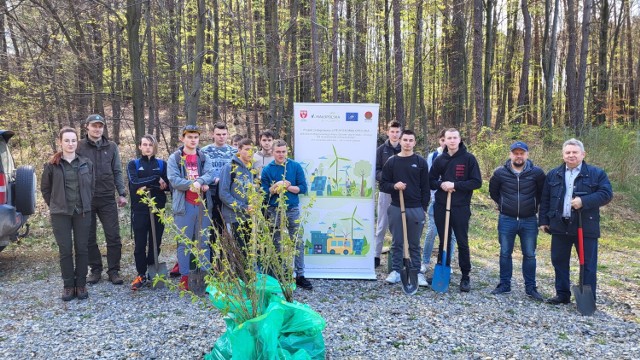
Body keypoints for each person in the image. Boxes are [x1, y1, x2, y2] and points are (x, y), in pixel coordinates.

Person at [539, 138, 613, 305]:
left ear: (583, 154)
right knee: (559, 261)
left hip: (585, 226)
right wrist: (543, 220)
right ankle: (562, 294)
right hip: (559, 225)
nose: (571, 155)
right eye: (568, 152)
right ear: (563, 155)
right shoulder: (553, 174)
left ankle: (587, 300)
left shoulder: (596, 174)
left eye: (574, 152)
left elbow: (606, 194)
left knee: (587, 264)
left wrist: (584, 201)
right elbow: (545, 199)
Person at [41, 127, 94, 301]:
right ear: (60, 142)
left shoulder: (86, 163)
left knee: (82, 249)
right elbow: (45, 189)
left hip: (82, 213)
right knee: (65, 250)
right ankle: (68, 286)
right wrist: (55, 205)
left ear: (77, 142)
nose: (70, 144)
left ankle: (81, 284)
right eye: (67, 140)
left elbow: (91, 187)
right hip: (60, 214)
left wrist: (85, 203)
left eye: (73, 140)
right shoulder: (51, 165)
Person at [489, 141, 546, 301]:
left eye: (522, 153)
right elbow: (493, 192)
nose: (519, 156)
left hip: (529, 220)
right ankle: (504, 285)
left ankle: (531, 287)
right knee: (505, 252)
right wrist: (503, 204)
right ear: (510, 154)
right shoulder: (500, 173)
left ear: (527, 155)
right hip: (507, 219)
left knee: (529, 254)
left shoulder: (537, 173)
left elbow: (543, 194)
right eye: (516, 153)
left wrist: (535, 209)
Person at [429, 128, 482, 292]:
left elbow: (476, 182)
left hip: (460, 207)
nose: (451, 141)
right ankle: (442, 270)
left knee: (461, 241)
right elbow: (430, 180)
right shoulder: (439, 159)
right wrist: (441, 185)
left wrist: (455, 185)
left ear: (460, 139)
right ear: (444, 140)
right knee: (443, 239)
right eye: (448, 138)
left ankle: (465, 276)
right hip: (441, 205)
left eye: (454, 138)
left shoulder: (468, 159)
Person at [77, 114, 127, 285]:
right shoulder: (79, 147)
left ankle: (114, 270)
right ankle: (95, 269)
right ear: (87, 127)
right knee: (89, 237)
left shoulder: (111, 147)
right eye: (94, 126)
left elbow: (117, 171)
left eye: (100, 126)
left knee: (113, 236)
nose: (97, 129)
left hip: (107, 198)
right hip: (86, 199)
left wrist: (121, 193)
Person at [167, 125, 215, 290]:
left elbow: (210, 174)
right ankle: (185, 277)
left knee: (204, 243)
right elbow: (173, 180)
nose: (193, 140)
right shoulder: (175, 158)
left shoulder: (203, 157)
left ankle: (204, 277)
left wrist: (200, 182)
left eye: (195, 137)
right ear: (183, 138)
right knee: (184, 243)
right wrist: (192, 184)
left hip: (203, 206)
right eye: (189, 137)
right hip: (184, 206)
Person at [380, 130, 430, 286]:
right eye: (405, 140)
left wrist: (423, 208)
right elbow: (383, 184)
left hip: (415, 208)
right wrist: (394, 185)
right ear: (400, 142)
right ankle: (396, 271)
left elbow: (425, 187)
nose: (408, 143)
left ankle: (416, 272)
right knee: (397, 242)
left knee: (414, 243)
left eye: (411, 140)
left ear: (415, 143)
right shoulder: (392, 161)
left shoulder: (420, 162)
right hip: (396, 207)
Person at [261, 139, 312, 290]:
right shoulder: (267, 169)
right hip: (274, 209)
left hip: (292, 208)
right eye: (278, 152)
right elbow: (264, 193)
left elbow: (303, 188)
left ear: (287, 151)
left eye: (283, 151)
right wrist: (275, 187)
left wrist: (288, 186)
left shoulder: (295, 166)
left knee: (297, 241)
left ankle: (300, 275)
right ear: (273, 152)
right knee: (276, 241)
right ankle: (280, 273)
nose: (281, 154)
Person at [127, 135, 170, 290]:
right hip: (140, 210)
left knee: (155, 242)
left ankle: (153, 270)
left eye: (150, 145)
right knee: (140, 244)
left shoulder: (162, 164)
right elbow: (134, 184)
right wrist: (156, 178)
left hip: (158, 209)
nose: (147, 147)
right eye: (144, 144)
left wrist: (149, 185)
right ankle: (141, 274)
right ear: (139, 146)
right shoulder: (134, 164)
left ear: (154, 146)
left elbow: (167, 186)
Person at [421, 129, 457, 276]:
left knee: (452, 235)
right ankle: (425, 261)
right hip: (437, 200)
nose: (446, 143)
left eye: (448, 139)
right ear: (440, 141)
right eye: (443, 140)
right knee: (432, 231)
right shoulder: (434, 156)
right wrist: (433, 195)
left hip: (453, 202)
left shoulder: (457, 157)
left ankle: (447, 261)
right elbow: (429, 178)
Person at [201, 122, 237, 248]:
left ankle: (229, 257)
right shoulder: (204, 152)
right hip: (211, 193)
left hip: (229, 193)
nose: (221, 137)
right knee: (213, 226)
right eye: (218, 134)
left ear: (228, 135)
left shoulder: (234, 152)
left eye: (224, 134)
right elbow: (201, 172)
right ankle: (213, 258)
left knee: (229, 227)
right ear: (213, 134)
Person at [373, 121, 402, 268]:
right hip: (385, 192)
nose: (395, 134)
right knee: (381, 224)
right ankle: (376, 256)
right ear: (388, 132)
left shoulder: (405, 148)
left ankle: (399, 256)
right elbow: (376, 170)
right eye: (392, 131)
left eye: (397, 132)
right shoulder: (381, 150)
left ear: (400, 133)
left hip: (401, 194)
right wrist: (386, 178)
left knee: (399, 226)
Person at [219, 138, 255, 251]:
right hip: (233, 217)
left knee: (247, 250)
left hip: (249, 217)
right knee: (236, 250)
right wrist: (243, 207)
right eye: (247, 149)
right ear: (239, 150)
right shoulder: (229, 167)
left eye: (252, 150)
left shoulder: (252, 169)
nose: (250, 152)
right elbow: (223, 193)